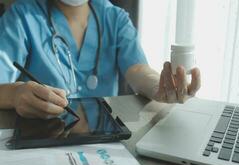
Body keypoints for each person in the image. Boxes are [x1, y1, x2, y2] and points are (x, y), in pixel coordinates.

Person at [0, 0, 201, 119]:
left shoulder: (115, 18)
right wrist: (15, 94)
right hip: (44, 138)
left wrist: (159, 86)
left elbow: (138, 70)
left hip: (104, 140)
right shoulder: (22, 17)